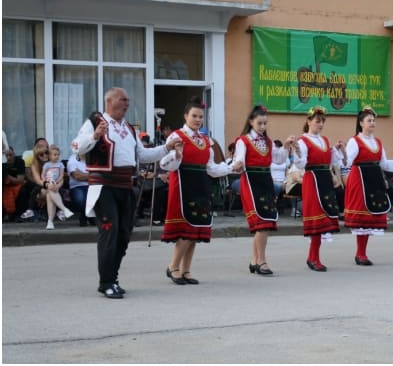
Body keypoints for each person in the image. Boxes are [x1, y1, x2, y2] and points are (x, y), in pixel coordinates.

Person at [73, 87, 179, 299]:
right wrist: (95, 135)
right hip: (103, 187)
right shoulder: (95, 122)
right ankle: (106, 282)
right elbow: (77, 148)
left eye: (128, 100)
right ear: (110, 101)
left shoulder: (129, 128)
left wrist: (167, 147)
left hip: (125, 186)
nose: (127, 103)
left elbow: (143, 155)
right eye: (123, 99)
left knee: (123, 235)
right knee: (110, 232)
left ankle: (113, 277)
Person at [159, 97, 240, 285]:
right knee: (186, 231)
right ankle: (173, 267)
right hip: (183, 186)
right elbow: (166, 165)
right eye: (194, 116)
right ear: (186, 116)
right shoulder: (176, 136)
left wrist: (231, 167)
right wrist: (176, 155)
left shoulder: (206, 140)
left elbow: (211, 168)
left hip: (201, 185)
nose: (197, 119)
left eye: (200, 117)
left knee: (195, 231)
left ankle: (186, 270)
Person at [232, 104, 297, 276]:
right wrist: (237, 165)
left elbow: (278, 159)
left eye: (265, 123)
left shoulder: (268, 142)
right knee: (261, 223)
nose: (262, 127)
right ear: (251, 122)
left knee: (265, 223)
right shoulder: (243, 141)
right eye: (259, 123)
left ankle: (254, 261)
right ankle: (262, 261)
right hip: (252, 182)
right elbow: (239, 160)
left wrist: (286, 146)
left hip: (265, 182)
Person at [343, 106, 393, 266]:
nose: (372, 123)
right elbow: (346, 162)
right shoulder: (355, 141)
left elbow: (384, 164)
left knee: (370, 216)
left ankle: (362, 253)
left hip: (374, 179)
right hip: (359, 179)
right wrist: (341, 154)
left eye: (374, 120)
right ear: (361, 123)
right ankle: (360, 254)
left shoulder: (377, 142)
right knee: (362, 216)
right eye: (369, 120)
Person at [293, 106, 343, 272]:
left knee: (324, 219)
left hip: (324, 180)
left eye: (322, 121)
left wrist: (335, 150)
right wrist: (298, 151)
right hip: (312, 180)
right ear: (308, 122)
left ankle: (313, 257)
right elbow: (300, 164)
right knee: (316, 218)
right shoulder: (303, 141)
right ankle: (313, 257)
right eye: (317, 121)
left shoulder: (324, 140)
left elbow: (331, 161)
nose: (320, 124)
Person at [38, 144, 74, 229]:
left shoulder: (60, 164)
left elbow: (61, 176)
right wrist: (47, 183)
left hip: (56, 184)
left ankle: (50, 222)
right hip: (47, 184)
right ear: (49, 156)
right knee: (50, 191)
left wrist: (56, 183)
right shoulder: (47, 165)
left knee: (49, 196)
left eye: (58, 154)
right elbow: (42, 176)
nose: (57, 156)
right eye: (55, 154)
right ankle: (64, 209)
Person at [66, 152, 94, 226]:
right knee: (80, 199)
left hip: (93, 185)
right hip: (77, 186)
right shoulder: (72, 160)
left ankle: (87, 217)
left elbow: (100, 173)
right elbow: (77, 176)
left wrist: (83, 174)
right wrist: (91, 175)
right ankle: (88, 217)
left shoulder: (94, 158)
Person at [3, 146, 26, 221]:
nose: (8, 158)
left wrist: (6, 175)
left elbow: (20, 180)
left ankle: (18, 215)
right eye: (6, 156)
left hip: (17, 184)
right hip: (5, 185)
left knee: (23, 191)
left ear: (14, 154)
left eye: (10, 155)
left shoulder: (19, 161)